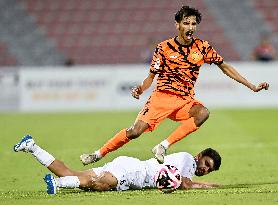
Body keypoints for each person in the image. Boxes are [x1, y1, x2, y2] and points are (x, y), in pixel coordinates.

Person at [80, 6, 269, 165]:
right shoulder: (163, 48)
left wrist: (251, 86)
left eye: (194, 23)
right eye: (186, 23)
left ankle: (163, 145)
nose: (190, 27)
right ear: (177, 25)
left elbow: (225, 67)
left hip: (184, 101)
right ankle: (98, 154)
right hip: (161, 98)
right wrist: (141, 88)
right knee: (135, 132)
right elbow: (150, 77)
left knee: (203, 113)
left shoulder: (203, 47)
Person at [14, 135, 221, 194]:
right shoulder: (186, 159)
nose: (205, 169)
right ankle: (58, 185)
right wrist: (212, 186)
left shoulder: (189, 168)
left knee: (71, 173)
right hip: (136, 173)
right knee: (97, 184)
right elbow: (183, 184)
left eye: (209, 169)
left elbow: (184, 181)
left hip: (129, 167)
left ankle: (32, 147)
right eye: (206, 163)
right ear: (199, 155)